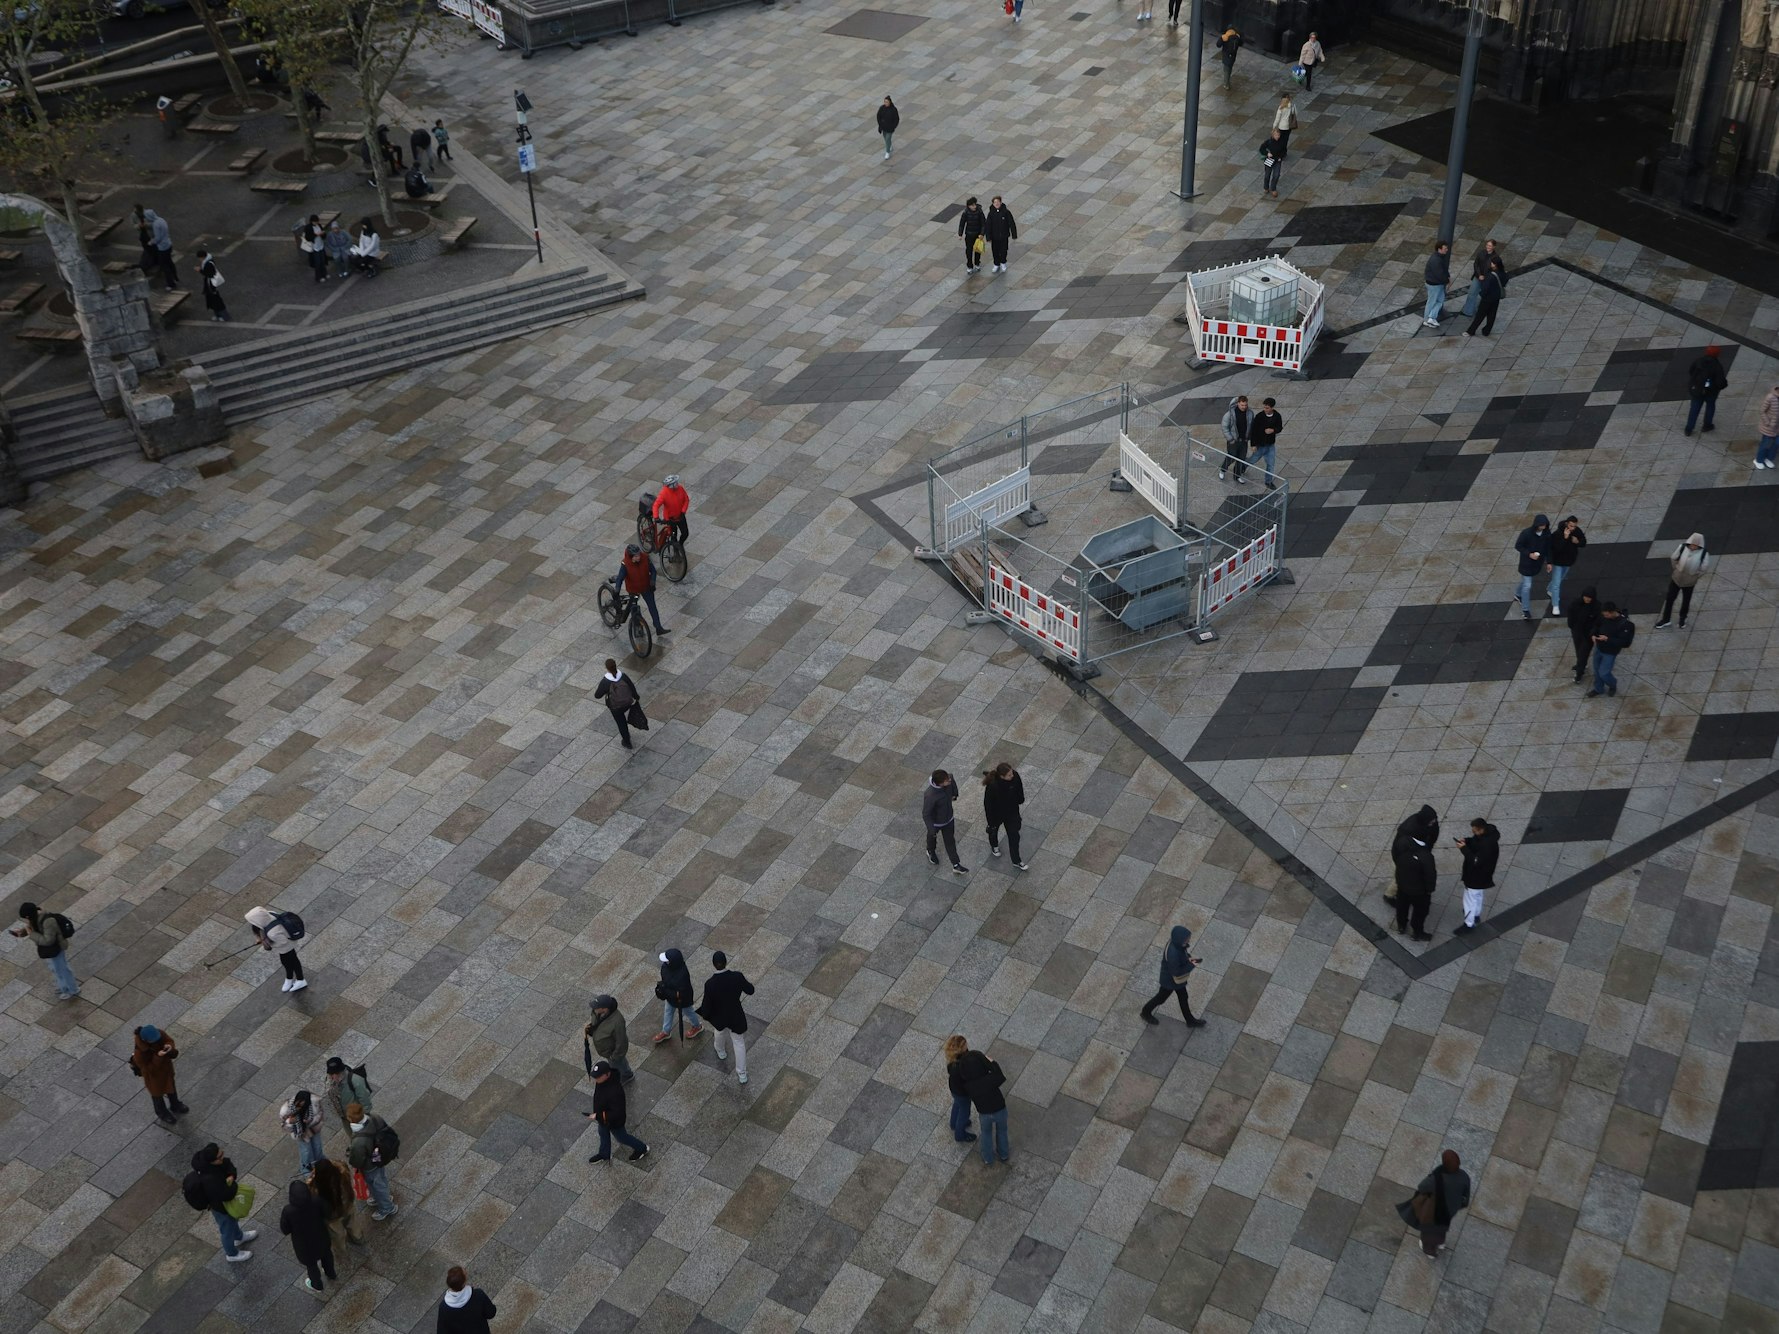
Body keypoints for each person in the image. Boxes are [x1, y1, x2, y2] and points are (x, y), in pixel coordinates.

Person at [183, 1143, 257, 1262]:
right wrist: (233, 1183)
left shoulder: (213, 1164)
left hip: (221, 1204)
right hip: (220, 1207)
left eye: (221, 1153)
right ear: (212, 1161)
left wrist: (232, 1175)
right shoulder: (210, 1179)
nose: (222, 1157)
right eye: (220, 1157)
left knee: (232, 1222)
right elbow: (226, 1194)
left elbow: (228, 1165)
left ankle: (239, 1237)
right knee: (226, 1229)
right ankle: (231, 1254)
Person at [1397, 1150, 1472, 1257]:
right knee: (1443, 1226)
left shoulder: (1437, 1178)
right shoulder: (1463, 1176)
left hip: (1434, 1210)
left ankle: (1429, 1250)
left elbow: (1422, 1186)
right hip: (1451, 1208)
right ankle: (1441, 1242)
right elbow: (1466, 1194)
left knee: (1428, 1231)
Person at [697, 950, 756, 1085]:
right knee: (739, 1043)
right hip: (735, 1015)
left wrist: (705, 1014)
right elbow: (750, 990)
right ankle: (742, 1074)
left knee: (719, 1031)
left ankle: (720, 1050)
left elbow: (707, 1004)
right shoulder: (737, 977)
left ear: (713, 965)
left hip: (720, 1016)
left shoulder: (710, 984)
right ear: (726, 962)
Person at [947, 1038, 1009, 1165]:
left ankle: (988, 1158)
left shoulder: (969, 1086)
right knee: (1002, 1131)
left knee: (986, 1134)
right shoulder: (990, 1078)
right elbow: (1000, 1076)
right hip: (999, 1109)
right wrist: (992, 1062)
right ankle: (1003, 1154)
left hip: (984, 1113)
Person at [1139, 925, 1206, 1026]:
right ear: (1180, 939)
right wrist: (1191, 965)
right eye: (1187, 938)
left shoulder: (1176, 944)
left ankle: (1190, 1020)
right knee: (1161, 998)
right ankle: (1145, 1012)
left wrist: (1188, 958)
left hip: (1173, 980)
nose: (1189, 939)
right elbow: (1176, 972)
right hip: (1170, 981)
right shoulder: (1173, 954)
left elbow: (1181, 955)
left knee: (1183, 997)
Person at [586, 1060, 650, 1163]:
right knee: (603, 1133)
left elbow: (616, 1113)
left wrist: (598, 1116)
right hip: (602, 1118)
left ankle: (642, 1148)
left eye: (598, 1076)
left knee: (622, 1138)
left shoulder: (615, 1091)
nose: (596, 1079)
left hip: (614, 1122)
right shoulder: (602, 1081)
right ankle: (604, 1154)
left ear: (607, 1074)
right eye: (595, 1076)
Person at [11, 903, 78, 1000]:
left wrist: (31, 934)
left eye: (26, 918)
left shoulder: (48, 921)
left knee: (62, 969)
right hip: (49, 950)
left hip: (56, 948)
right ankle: (63, 986)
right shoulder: (34, 918)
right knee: (55, 968)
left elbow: (48, 940)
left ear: (29, 915)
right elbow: (34, 928)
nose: (26, 920)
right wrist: (21, 933)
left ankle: (72, 990)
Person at [280, 1179, 335, 1295]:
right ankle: (331, 1273)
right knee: (327, 1255)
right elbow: (328, 1212)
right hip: (321, 1237)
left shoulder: (288, 1211)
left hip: (304, 1246)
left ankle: (317, 1285)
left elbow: (285, 1229)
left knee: (311, 1266)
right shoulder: (316, 1201)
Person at [345, 1101, 398, 1221]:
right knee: (381, 1179)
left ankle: (387, 1207)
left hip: (370, 1165)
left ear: (350, 1118)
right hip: (380, 1157)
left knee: (375, 1185)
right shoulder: (374, 1117)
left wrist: (350, 1154)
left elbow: (357, 1160)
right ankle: (383, 1198)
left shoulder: (359, 1141)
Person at [131, 1024, 189, 1124]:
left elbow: (168, 1040)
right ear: (146, 1041)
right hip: (154, 1077)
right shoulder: (139, 1053)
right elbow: (148, 1069)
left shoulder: (159, 1033)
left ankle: (175, 1105)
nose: (158, 1041)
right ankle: (162, 1113)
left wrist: (169, 1046)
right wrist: (158, 1057)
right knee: (157, 1095)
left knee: (171, 1088)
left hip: (167, 1071)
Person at [308, 1157, 366, 1253]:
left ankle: (340, 1249)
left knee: (337, 1233)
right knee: (352, 1222)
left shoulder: (317, 1188)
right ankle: (358, 1237)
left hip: (332, 1215)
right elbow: (341, 1165)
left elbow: (312, 1196)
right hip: (347, 1205)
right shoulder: (342, 1172)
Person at [612, 543, 670, 635]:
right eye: (636, 556)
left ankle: (658, 627)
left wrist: (652, 582)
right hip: (633, 589)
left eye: (638, 554)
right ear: (631, 556)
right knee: (634, 609)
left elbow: (653, 571)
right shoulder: (625, 564)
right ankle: (637, 626)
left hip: (646, 587)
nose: (638, 557)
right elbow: (620, 578)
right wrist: (617, 589)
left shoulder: (645, 558)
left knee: (653, 607)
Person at [245, 906, 306, 992]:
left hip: (287, 945)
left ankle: (300, 980)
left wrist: (269, 943)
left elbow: (283, 942)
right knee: (291, 960)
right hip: (286, 937)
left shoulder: (272, 933)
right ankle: (291, 978)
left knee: (289, 962)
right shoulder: (269, 913)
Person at [1393, 824, 1436, 941]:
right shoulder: (1426, 856)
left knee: (1401, 907)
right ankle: (1417, 932)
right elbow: (1430, 875)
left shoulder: (1402, 843)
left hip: (1402, 885)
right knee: (1420, 912)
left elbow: (1395, 856)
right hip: (1419, 891)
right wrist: (1429, 890)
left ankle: (1401, 926)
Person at [1454, 819, 1498, 935]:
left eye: (1474, 831)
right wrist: (1467, 841)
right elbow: (1476, 842)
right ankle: (1476, 915)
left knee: (1469, 900)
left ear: (1481, 829)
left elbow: (1475, 861)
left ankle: (1469, 923)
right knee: (1478, 895)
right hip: (1484, 876)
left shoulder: (1486, 845)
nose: (1473, 833)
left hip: (1475, 877)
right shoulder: (1488, 836)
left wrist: (1463, 848)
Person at [982, 761, 1027, 869]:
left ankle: (1016, 860)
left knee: (1014, 836)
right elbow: (988, 805)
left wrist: (1020, 799)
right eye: (1009, 775)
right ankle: (994, 845)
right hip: (997, 814)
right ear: (1001, 776)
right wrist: (990, 822)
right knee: (994, 830)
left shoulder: (1015, 776)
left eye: (1011, 773)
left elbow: (1019, 789)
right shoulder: (993, 786)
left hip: (1011, 812)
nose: (1012, 776)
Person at [1657, 533, 1708, 628]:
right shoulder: (1682, 547)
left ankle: (1682, 619)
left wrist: (1694, 576)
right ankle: (1666, 619)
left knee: (1686, 600)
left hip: (1689, 582)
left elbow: (1704, 568)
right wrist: (1677, 569)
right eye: (1692, 545)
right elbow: (1673, 558)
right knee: (1670, 599)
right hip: (1676, 578)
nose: (1693, 547)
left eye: (1696, 546)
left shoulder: (1704, 553)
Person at [653, 947, 702, 1043]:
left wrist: (664, 991)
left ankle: (697, 1026)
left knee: (689, 1012)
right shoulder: (666, 967)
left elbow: (680, 993)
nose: (665, 962)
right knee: (668, 1012)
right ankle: (666, 1031)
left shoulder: (682, 975)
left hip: (683, 1000)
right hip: (671, 997)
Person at [923, 769, 967, 874]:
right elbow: (926, 814)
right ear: (940, 783)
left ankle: (956, 865)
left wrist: (955, 794)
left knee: (950, 842)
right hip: (936, 823)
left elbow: (953, 782)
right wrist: (932, 828)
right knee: (931, 836)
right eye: (947, 781)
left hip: (949, 820)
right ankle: (930, 850)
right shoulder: (930, 795)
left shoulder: (949, 779)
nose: (950, 780)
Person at [1588, 601, 1634, 698]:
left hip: (1610, 652)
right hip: (1599, 648)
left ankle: (1612, 684)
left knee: (1604, 673)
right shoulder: (1603, 616)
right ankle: (1598, 689)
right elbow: (1596, 626)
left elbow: (1625, 643)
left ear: (1613, 612)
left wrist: (1608, 639)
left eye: (1607, 615)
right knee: (1596, 671)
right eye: (1604, 615)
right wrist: (1592, 634)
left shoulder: (1626, 625)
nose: (1605, 617)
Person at [584, 995, 634, 1084]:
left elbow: (621, 1041)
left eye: (596, 1007)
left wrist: (614, 1056)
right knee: (617, 1064)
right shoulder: (597, 1012)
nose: (593, 1009)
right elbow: (598, 1023)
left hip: (612, 1052)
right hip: (606, 1050)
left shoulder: (617, 1022)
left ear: (604, 1009)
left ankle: (626, 1076)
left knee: (618, 1064)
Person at [593, 658, 642, 750]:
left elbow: (597, 695)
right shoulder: (623, 676)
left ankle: (627, 742)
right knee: (623, 717)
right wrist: (636, 697)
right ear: (616, 665)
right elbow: (632, 687)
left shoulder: (605, 681)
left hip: (615, 707)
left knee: (621, 723)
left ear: (606, 668)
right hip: (627, 703)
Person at [1545, 515, 1586, 616]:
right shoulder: (1557, 534)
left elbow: (1583, 542)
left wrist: (1577, 542)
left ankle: (1550, 589)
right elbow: (1555, 549)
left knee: (1561, 578)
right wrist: (1565, 538)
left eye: (1575, 526)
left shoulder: (1577, 531)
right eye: (1571, 526)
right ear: (1567, 524)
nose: (1573, 528)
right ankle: (1555, 605)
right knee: (1557, 584)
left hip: (1569, 561)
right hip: (1558, 562)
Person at [437, 1266, 498, 1333]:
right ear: (464, 1281)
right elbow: (491, 1313)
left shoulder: (443, 1307)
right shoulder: (478, 1295)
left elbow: (441, 1331)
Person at [1511, 514, 1549, 620]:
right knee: (1527, 586)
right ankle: (1526, 610)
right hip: (1526, 563)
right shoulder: (1526, 533)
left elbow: (1548, 547)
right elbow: (1518, 546)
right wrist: (1529, 554)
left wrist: (1549, 561)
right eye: (1541, 525)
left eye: (1544, 525)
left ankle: (1518, 594)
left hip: (1536, 563)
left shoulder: (1546, 533)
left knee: (1525, 582)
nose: (1543, 527)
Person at [1684, 345, 1727, 435]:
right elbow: (1720, 382)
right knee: (1710, 406)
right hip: (1711, 392)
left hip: (1697, 389)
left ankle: (1689, 428)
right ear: (1717, 354)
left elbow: (1691, 370)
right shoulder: (1717, 366)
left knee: (1694, 408)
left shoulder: (1698, 361)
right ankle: (1707, 425)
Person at [282, 1089, 325, 1174]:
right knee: (306, 1152)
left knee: (317, 1147)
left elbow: (320, 1114)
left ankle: (321, 1164)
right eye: (298, 1105)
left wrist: (310, 1122)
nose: (300, 1108)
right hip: (300, 1133)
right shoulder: (287, 1110)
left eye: (302, 1106)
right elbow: (284, 1126)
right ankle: (306, 1170)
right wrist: (290, 1122)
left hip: (313, 1129)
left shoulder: (314, 1103)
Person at [135, 205, 179, 289]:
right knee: (170, 262)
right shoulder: (161, 220)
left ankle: (171, 284)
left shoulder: (155, 225)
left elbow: (158, 238)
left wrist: (151, 242)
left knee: (164, 266)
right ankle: (175, 277)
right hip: (169, 244)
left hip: (162, 248)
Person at [942, 1035, 976, 1143]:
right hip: (963, 1093)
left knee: (957, 1104)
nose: (967, 1045)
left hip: (954, 1089)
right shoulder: (963, 1063)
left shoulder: (952, 1060)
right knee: (964, 1112)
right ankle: (960, 1135)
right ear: (961, 1048)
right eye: (965, 1044)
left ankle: (953, 1123)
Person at [325, 1056, 373, 1129]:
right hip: (344, 1117)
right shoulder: (329, 1081)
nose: (333, 1077)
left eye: (336, 1073)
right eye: (331, 1074)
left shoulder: (355, 1080)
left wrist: (363, 1118)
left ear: (341, 1071)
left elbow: (365, 1100)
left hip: (357, 1116)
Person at [1462, 239, 1505, 317]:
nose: (1488, 247)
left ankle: (1479, 311)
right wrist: (1479, 275)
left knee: (1482, 295)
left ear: (1494, 247)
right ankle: (1467, 311)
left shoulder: (1495, 257)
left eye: (1490, 246)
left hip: (1487, 279)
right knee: (1472, 293)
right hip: (1478, 276)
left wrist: (1485, 276)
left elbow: (1496, 269)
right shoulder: (1481, 253)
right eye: (1487, 245)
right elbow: (1476, 264)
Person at [1249, 397, 1284, 489]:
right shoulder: (1259, 416)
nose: (1265, 409)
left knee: (1271, 464)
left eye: (1267, 408)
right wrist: (1253, 444)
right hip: (1260, 444)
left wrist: (1273, 430)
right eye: (1264, 407)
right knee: (1253, 460)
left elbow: (1279, 428)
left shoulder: (1277, 416)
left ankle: (1268, 481)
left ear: (1272, 408)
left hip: (1270, 444)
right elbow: (1254, 431)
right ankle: (1242, 467)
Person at [1567, 587, 1600, 683]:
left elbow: (1598, 622)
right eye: (1586, 597)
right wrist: (1572, 626)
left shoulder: (1597, 606)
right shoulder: (1576, 603)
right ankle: (1581, 664)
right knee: (1578, 649)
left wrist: (1593, 632)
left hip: (1588, 635)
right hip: (1577, 632)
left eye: (1590, 597)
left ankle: (1579, 673)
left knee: (1583, 653)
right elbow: (1570, 613)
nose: (1587, 599)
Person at [1464, 265, 1503, 337]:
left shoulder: (1490, 276)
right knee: (1492, 315)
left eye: (1492, 263)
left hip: (1487, 298)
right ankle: (1486, 331)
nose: (1491, 264)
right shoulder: (1501, 273)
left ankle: (1471, 331)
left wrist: (1482, 294)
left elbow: (1485, 288)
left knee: (1480, 315)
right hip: (1496, 297)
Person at [1220, 394, 1251, 483]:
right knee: (1231, 457)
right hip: (1233, 441)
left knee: (1241, 458)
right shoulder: (1229, 414)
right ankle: (1223, 470)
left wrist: (1249, 438)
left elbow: (1251, 426)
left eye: (1245, 405)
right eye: (1242, 405)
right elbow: (1224, 427)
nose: (1244, 407)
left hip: (1244, 441)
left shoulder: (1250, 413)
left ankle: (1237, 476)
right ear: (1238, 403)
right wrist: (1230, 439)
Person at [652, 474, 690, 545]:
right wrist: (656, 517)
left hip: (680, 516)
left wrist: (683, 511)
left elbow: (686, 500)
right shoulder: (663, 493)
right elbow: (656, 505)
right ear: (670, 485)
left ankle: (680, 544)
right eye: (675, 483)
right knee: (673, 535)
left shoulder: (680, 488)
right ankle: (676, 548)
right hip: (670, 518)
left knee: (685, 533)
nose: (677, 484)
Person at [984, 196, 1018, 275]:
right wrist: (988, 237)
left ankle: (1003, 262)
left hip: (1004, 236)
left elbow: (1011, 223)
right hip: (994, 237)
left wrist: (1014, 234)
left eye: (998, 202)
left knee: (1004, 250)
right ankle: (996, 264)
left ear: (1001, 202)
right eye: (995, 202)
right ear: (993, 204)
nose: (997, 203)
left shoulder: (1006, 212)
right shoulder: (991, 213)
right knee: (995, 251)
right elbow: (988, 226)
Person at [195, 249, 229, 323]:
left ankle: (224, 316)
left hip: (211, 285)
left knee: (216, 301)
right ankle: (218, 315)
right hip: (209, 285)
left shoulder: (208, 264)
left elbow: (209, 274)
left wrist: (200, 270)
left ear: (202, 257)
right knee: (213, 301)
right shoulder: (208, 261)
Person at [1423, 241, 1450, 328]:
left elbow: (1443, 271)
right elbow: (1439, 274)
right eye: (1445, 248)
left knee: (1439, 301)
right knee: (1432, 302)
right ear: (1439, 249)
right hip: (1434, 285)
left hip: (1436, 284)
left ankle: (1431, 318)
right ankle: (1427, 320)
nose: (1447, 250)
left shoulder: (1439, 257)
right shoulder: (1436, 260)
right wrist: (1447, 281)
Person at [957, 197, 986, 274]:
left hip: (978, 235)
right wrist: (960, 234)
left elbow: (983, 224)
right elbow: (962, 224)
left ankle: (977, 263)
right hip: (969, 235)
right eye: (972, 205)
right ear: (969, 206)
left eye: (975, 205)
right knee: (969, 251)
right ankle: (969, 265)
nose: (974, 207)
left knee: (978, 250)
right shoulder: (966, 212)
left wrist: (982, 234)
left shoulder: (980, 212)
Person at [300, 215, 327, 283]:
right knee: (317, 263)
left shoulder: (319, 225)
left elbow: (323, 235)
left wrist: (322, 234)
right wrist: (317, 234)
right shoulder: (308, 228)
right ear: (312, 221)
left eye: (317, 221)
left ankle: (324, 274)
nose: (317, 223)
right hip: (315, 247)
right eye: (315, 222)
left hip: (320, 245)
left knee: (323, 261)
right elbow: (308, 238)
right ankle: (318, 277)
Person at [1758, 382, 1779, 469]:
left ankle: (1768, 458)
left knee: (1776, 444)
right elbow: (1762, 411)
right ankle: (1759, 460)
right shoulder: (1770, 397)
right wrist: (1768, 423)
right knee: (1767, 444)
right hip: (1769, 428)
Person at [1260, 128, 1284, 199]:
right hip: (1269, 160)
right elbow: (1261, 149)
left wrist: (1281, 157)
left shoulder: (1281, 142)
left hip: (1277, 161)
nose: (1277, 136)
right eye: (1276, 135)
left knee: (1276, 175)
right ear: (1273, 135)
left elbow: (1284, 150)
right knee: (1267, 175)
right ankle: (1266, 187)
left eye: (1278, 135)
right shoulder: (1268, 142)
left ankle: (1273, 189)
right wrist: (1267, 153)